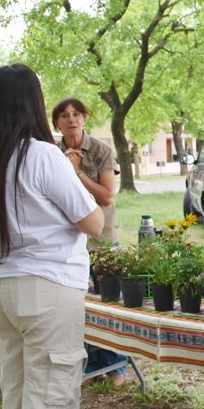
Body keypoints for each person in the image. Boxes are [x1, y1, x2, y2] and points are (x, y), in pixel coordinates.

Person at [0, 64, 104, 409]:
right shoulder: (42, 155)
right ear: (35, 103)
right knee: (49, 403)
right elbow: (95, 221)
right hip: (46, 290)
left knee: (20, 397)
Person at [50, 97, 127, 388]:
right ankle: (92, 363)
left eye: (77, 114)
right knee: (79, 307)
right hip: (67, 243)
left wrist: (77, 172)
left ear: (85, 118)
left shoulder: (100, 150)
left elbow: (107, 196)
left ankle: (116, 365)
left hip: (101, 241)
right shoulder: (51, 153)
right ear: (56, 122)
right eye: (64, 115)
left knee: (107, 305)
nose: (71, 119)